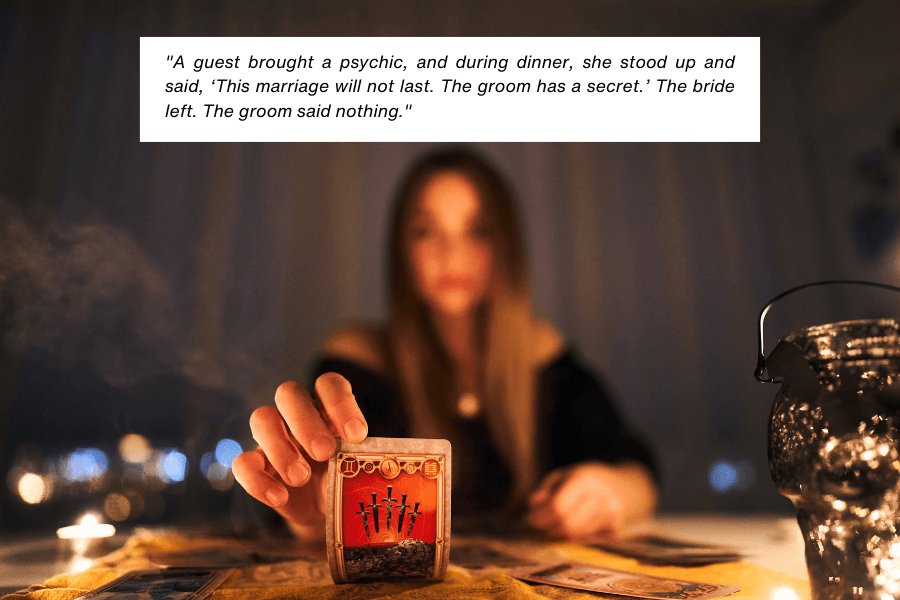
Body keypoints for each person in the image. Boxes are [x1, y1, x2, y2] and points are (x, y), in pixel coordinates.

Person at [233, 148, 657, 542]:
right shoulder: (360, 360)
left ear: (506, 248)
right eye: (425, 230)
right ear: (401, 251)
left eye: (478, 230)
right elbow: (321, 499)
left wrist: (616, 490)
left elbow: (636, 467)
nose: (451, 252)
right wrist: (313, 513)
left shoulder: (541, 355)